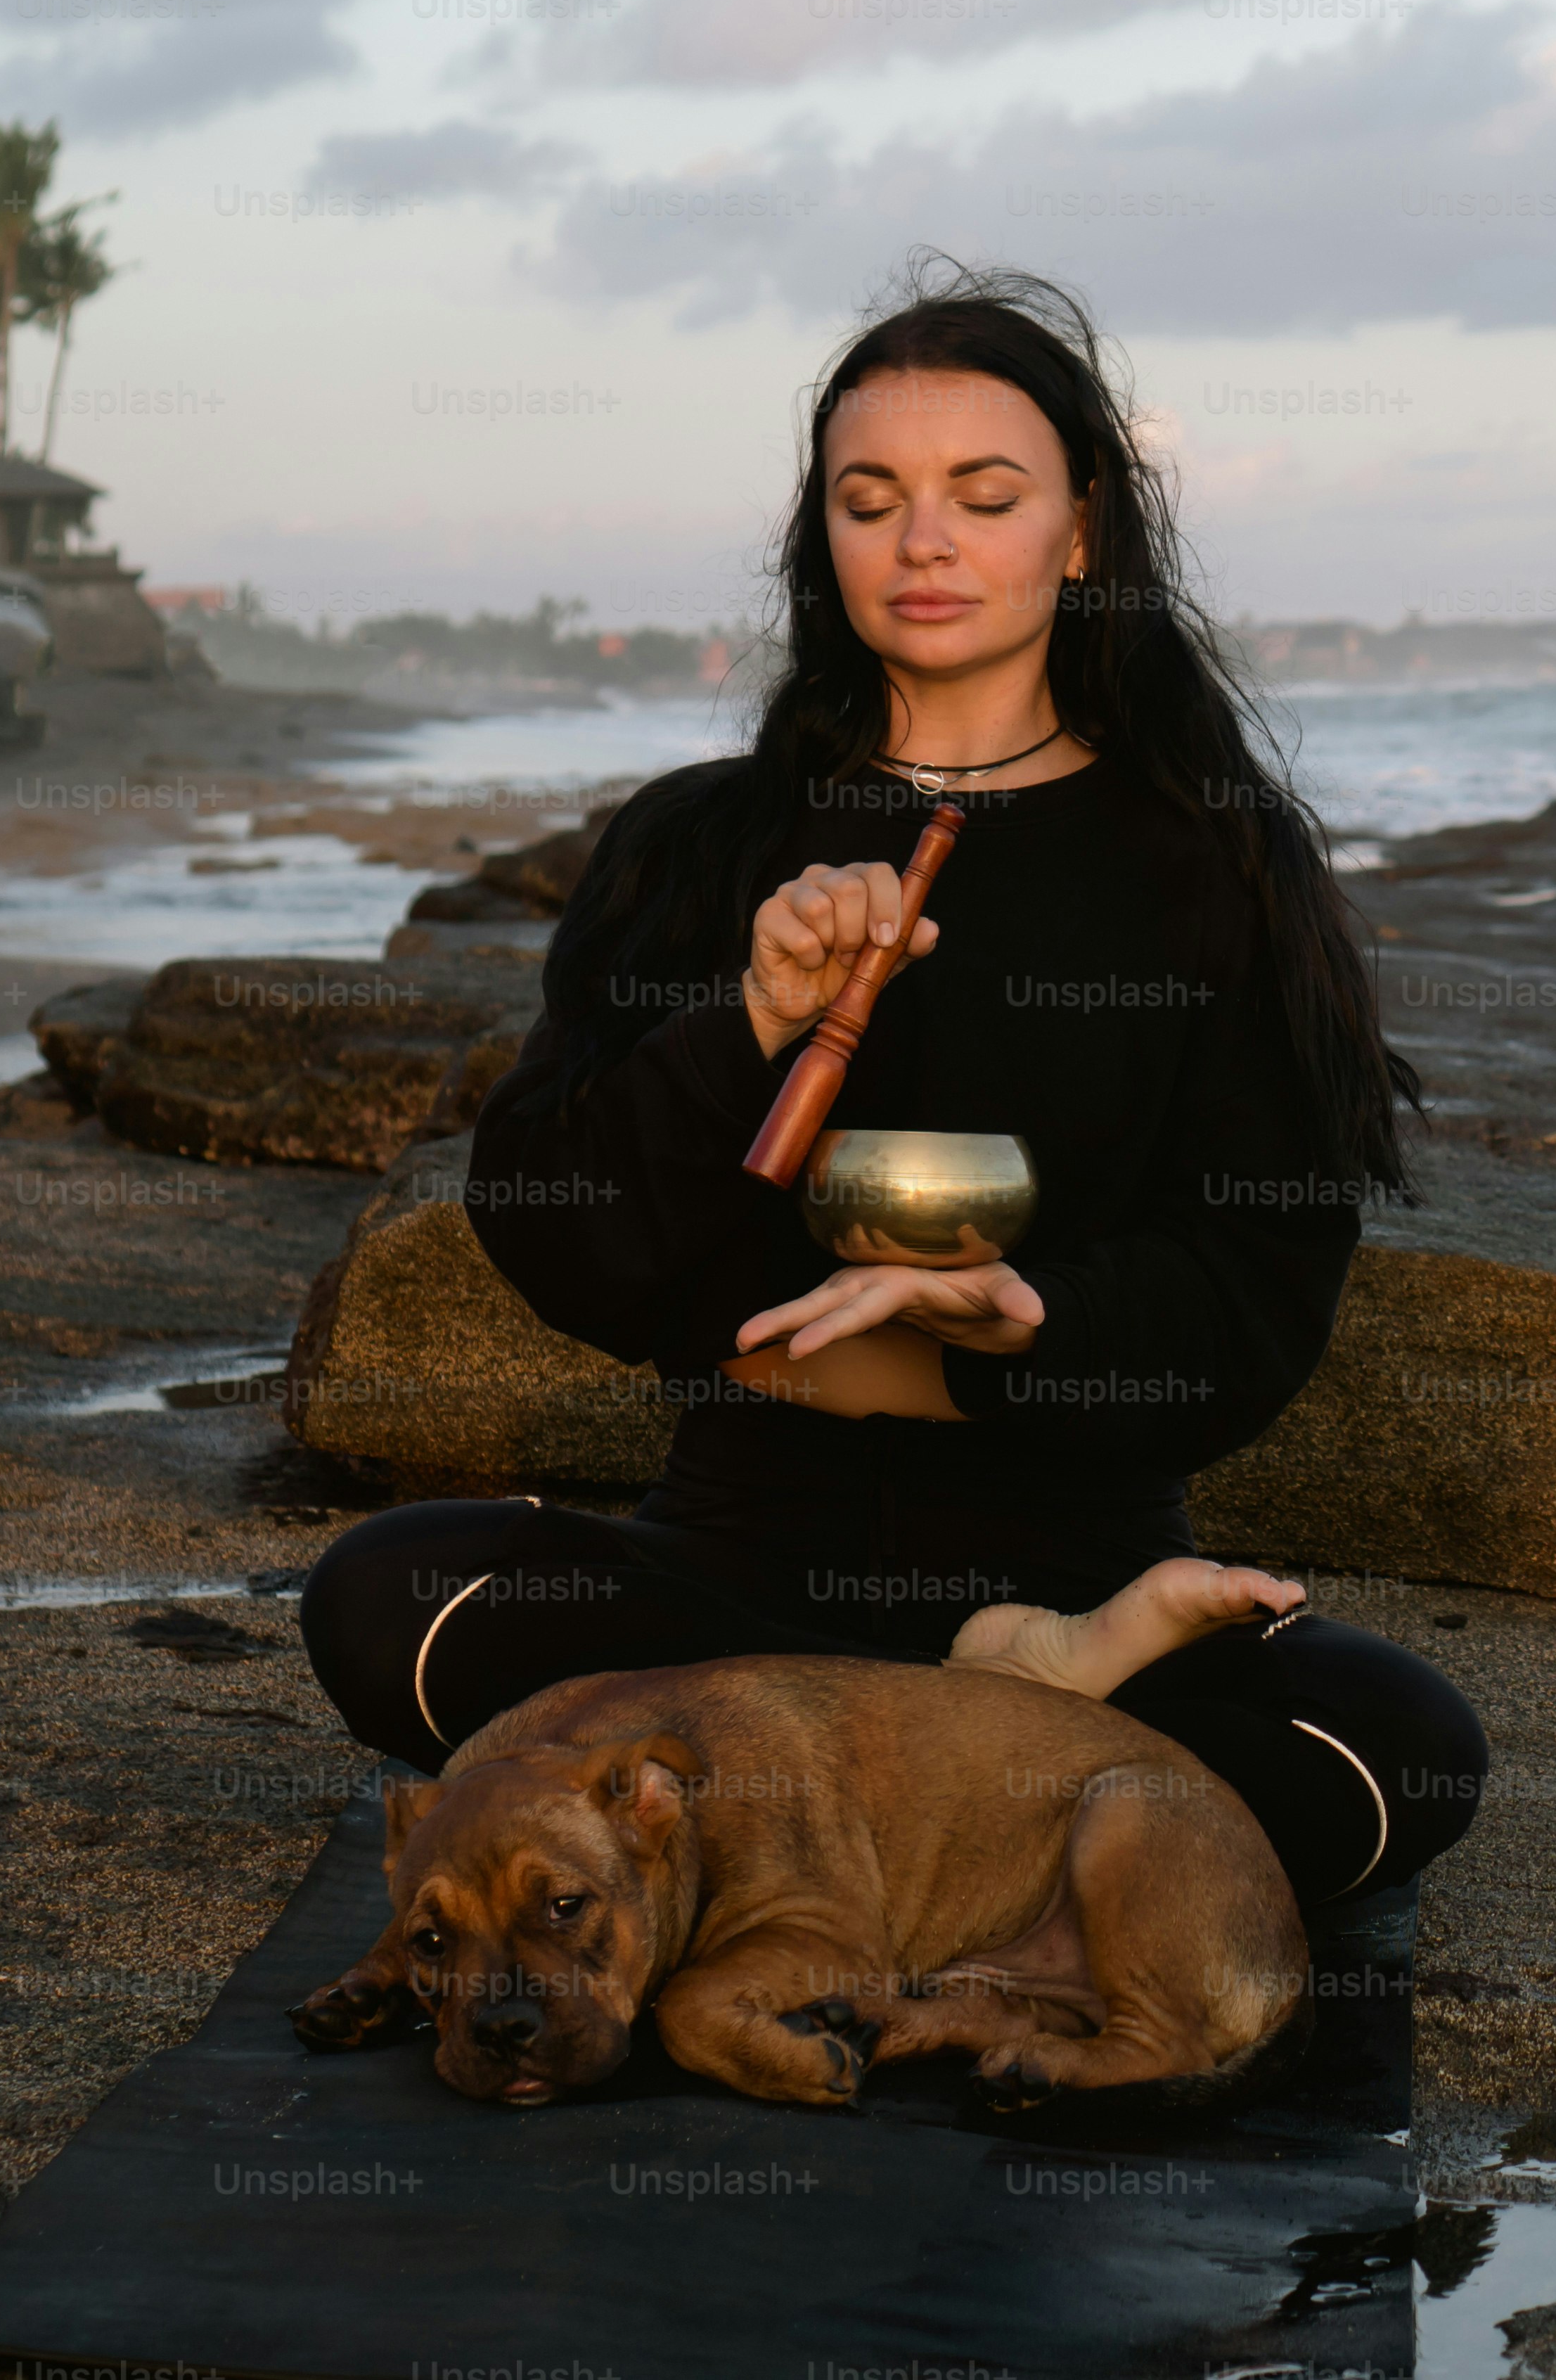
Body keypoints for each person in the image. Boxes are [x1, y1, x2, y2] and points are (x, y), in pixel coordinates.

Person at [295, 260, 1478, 1914]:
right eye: (871, 499)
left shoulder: (1211, 864)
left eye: (981, 495)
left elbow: (1260, 1287)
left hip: (1077, 1557)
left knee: (1391, 1749)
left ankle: (815, 1795)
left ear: (1081, 532)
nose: (922, 541)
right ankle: (984, 1775)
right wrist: (748, 1024)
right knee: (385, 1603)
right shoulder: (705, 841)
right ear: (823, 538)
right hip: (737, 1554)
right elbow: (557, 1230)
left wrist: (1033, 1325)